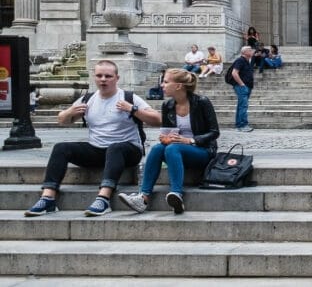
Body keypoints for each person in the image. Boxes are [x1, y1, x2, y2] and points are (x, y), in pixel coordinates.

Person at [24, 60, 161, 218]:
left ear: (117, 78)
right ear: (94, 78)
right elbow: (62, 120)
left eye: (108, 76)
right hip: (97, 150)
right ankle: (48, 198)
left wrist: (132, 109)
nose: (103, 79)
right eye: (99, 75)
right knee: (61, 148)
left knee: (115, 147)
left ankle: (103, 199)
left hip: (128, 150)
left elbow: (157, 119)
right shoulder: (88, 99)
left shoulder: (129, 97)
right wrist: (70, 112)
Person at [117, 68, 219, 215]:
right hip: (177, 151)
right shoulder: (168, 105)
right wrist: (165, 138)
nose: (162, 85)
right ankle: (143, 197)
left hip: (202, 151)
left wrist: (190, 140)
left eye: (165, 82)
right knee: (158, 148)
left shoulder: (201, 102)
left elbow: (214, 132)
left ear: (178, 86)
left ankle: (176, 194)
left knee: (172, 149)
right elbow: (166, 133)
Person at [227, 46, 256, 132]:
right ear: (244, 52)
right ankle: (243, 125)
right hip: (242, 86)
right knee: (243, 105)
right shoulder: (240, 60)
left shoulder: (247, 61)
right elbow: (234, 73)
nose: (252, 51)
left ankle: (239, 124)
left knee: (241, 105)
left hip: (247, 86)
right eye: (250, 50)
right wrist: (242, 84)